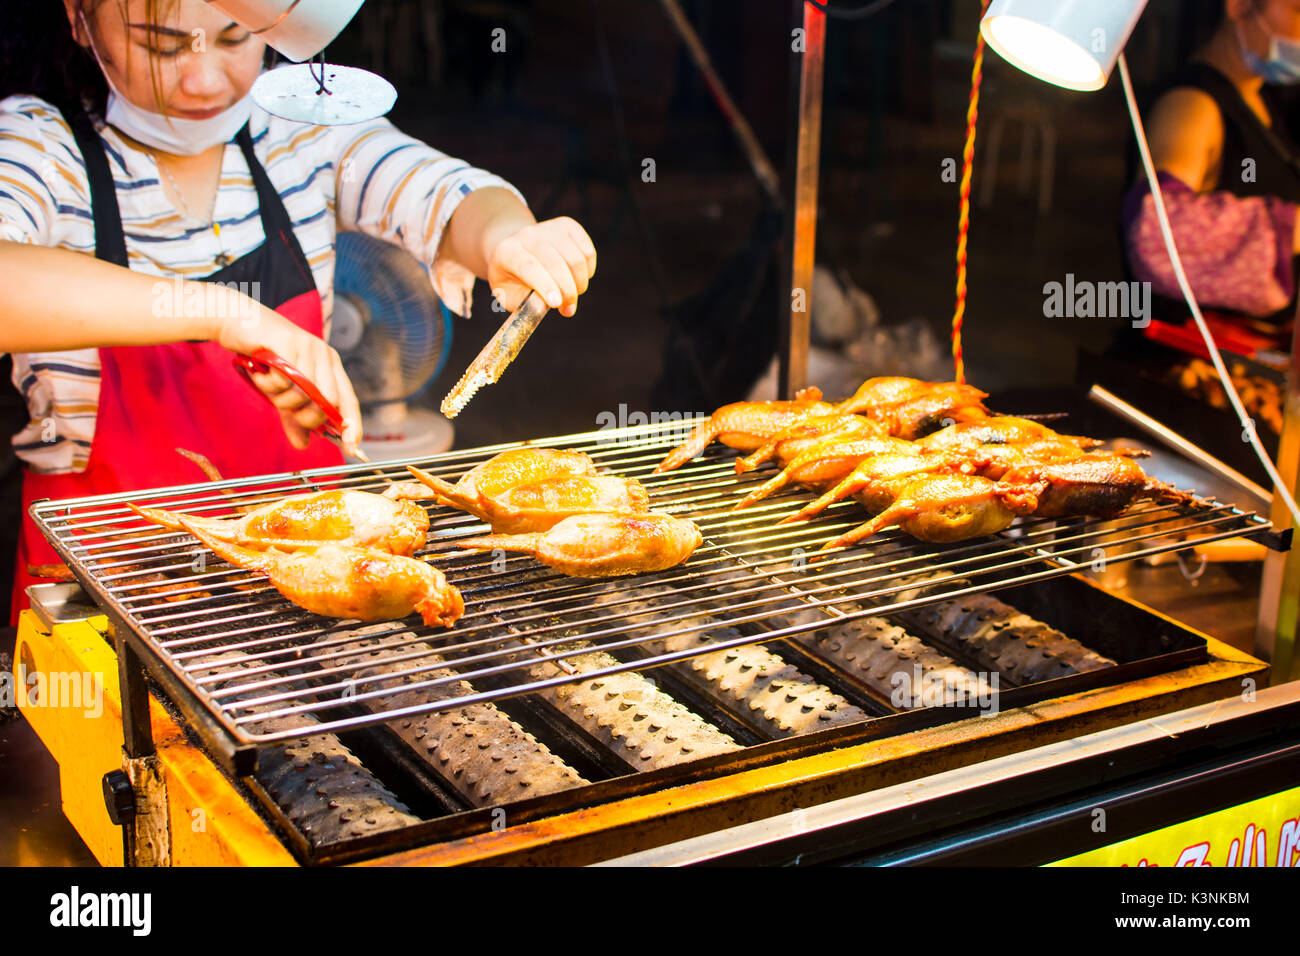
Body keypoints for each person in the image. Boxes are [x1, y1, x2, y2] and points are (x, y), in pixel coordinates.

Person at [0, 0, 597, 622]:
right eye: (161, 46)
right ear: (77, 18)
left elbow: (439, 188)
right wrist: (229, 314)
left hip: (315, 579)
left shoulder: (300, 128)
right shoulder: (40, 146)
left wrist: (507, 236)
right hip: (108, 578)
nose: (204, 80)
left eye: (236, 39)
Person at [1123, 0, 1300, 334]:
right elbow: (1158, 232)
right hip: (1179, 361)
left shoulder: (1261, 101)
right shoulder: (1190, 104)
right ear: (1239, 6)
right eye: (1299, 12)